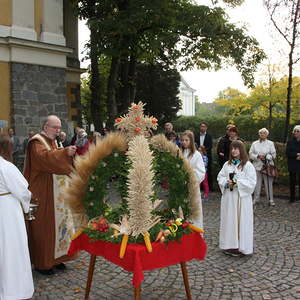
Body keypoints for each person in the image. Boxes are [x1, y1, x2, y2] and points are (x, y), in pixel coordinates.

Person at [24, 115, 77, 275]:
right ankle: (43, 263)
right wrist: (64, 153)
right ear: (46, 126)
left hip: (57, 193)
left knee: (59, 226)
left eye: (59, 127)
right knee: (45, 228)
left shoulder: (52, 141)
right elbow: (45, 158)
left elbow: (55, 155)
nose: (58, 130)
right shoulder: (36, 142)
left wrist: (65, 152)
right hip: (44, 191)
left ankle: (58, 258)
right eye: (55, 127)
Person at [0, 134, 34, 299]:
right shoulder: (6, 166)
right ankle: (15, 289)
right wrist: (27, 203)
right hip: (8, 210)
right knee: (13, 247)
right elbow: (22, 191)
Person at [217, 140, 256, 256]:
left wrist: (237, 182)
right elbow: (220, 177)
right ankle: (229, 245)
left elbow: (252, 182)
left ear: (241, 150)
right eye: (232, 148)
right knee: (229, 220)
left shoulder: (248, 166)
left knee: (240, 221)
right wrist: (226, 183)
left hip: (241, 199)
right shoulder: (227, 165)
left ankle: (240, 246)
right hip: (229, 198)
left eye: (236, 148)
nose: (234, 150)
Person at [180, 130, 206, 228]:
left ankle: (195, 231)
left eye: (186, 140)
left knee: (193, 210)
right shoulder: (179, 153)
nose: (184, 142)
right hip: (181, 186)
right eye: (182, 140)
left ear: (191, 141)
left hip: (192, 186)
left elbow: (201, 172)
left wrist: (190, 176)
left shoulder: (196, 155)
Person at [249, 128, 276, 206]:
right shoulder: (254, 143)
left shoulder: (271, 143)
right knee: (257, 183)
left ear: (267, 134)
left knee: (268, 183)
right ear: (259, 134)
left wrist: (267, 156)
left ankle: (270, 199)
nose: (262, 134)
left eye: (264, 133)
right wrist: (257, 156)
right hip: (257, 166)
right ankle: (256, 199)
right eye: (261, 133)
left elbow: (273, 154)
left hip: (267, 166)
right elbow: (250, 154)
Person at [194, 122, 213, 190]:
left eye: (204, 126)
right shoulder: (196, 135)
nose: (202, 128)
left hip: (207, 155)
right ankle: (200, 188)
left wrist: (204, 150)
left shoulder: (209, 136)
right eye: (201, 126)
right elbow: (194, 144)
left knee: (207, 172)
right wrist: (198, 151)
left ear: (206, 128)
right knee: (198, 171)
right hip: (197, 155)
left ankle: (209, 188)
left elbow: (210, 146)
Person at [286, 125, 300, 203]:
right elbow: (288, 153)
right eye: (295, 131)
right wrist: (297, 155)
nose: (296, 133)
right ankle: (292, 198)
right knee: (292, 182)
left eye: (298, 131)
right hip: (292, 164)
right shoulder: (290, 141)